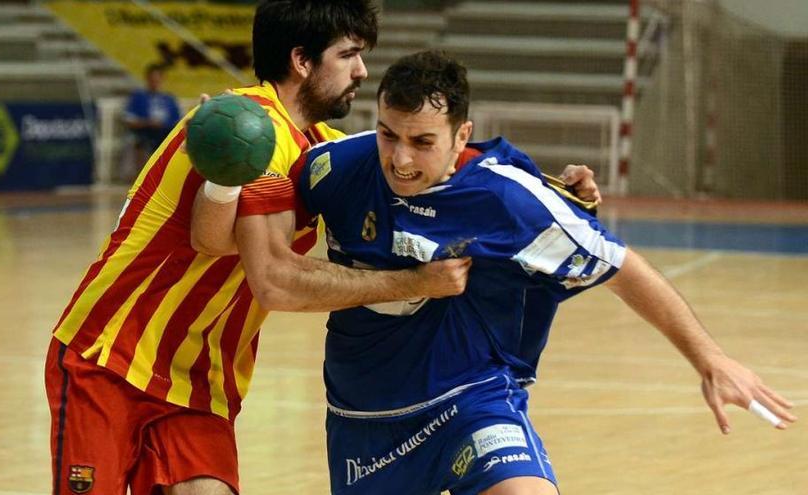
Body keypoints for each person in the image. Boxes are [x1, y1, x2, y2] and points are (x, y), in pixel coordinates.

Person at [284, 51, 796, 494]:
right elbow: (263, 251)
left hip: (472, 398)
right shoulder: (333, 169)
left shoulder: (506, 199)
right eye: (388, 134)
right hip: (364, 418)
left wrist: (710, 359)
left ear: (462, 134)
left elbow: (621, 267)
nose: (399, 159)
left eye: (422, 142)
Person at [45, 3, 476, 495]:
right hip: (112, 358)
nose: (361, 70)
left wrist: (560, 192)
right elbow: (257, 269)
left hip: (198, 383)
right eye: (349, 55)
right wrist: (416, 284)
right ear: (302, 61)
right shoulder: (251, 127)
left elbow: (436, 166)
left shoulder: (319, 147)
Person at [121, 64, 182, 178]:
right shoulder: (138, 97)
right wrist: (148, 122)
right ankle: (141, 178)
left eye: (157, 80)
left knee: (177, 142)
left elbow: (178, 122)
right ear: (147, 79)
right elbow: (129, 120)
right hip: (144, 131)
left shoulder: (169, 99)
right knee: (137, 142)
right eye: (152, 80)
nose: (155, 83)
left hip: (165, 132)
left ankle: (167, 177)